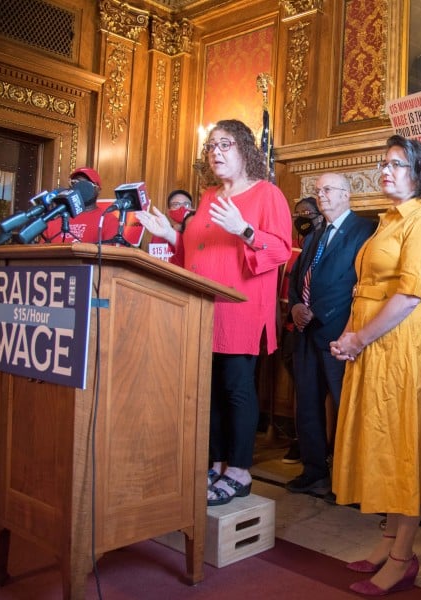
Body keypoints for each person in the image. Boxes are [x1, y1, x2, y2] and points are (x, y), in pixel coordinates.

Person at [136, 119, 292, 506]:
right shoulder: (208, 197)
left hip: (240, 308)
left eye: (226, 145)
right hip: (205, 310)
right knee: (211, 391)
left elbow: (279, 251)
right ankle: (218, 462)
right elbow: (198, 248)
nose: (216, 152)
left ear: (244, 150)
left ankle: (239, 470)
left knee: (237, 389)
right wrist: (169, 234)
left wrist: (245, 230)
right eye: (211, 146)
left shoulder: (266, 194)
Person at [330, 135, 421, 595]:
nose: (386, 171)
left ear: (420, 174)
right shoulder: (387, 221)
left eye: (397, 164)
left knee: (402, 443)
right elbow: (366, 288)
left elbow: (406, 294)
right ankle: (387, 542)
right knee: (383, 439)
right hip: (372, 337)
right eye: (384, 163)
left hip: (401, 341)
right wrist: (350, 335)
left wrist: (358, 337)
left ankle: (403, 557)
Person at [285, 173, 374, 495]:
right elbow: (298, 278)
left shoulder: (365, 230)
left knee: (346, 407)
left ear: (347, 195)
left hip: (340, 334)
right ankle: (313, 470)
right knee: (306, 405)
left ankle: (350, 481)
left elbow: (357, 282)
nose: (320, 196)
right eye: (317, 190)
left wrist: (320, 313)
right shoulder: (314, 234)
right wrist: (296, 306)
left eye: (327, 190)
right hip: (306, 334)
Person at [281, 196, 325, 465]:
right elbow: (295, 283)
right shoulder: (301, 245)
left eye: (309, 212)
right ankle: (304, 443)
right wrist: (296, 307)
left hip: (323, 325)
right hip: (294, 327)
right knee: (303, 388)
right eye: (298, 214)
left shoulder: (329, 239)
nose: (303, 218)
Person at [148, 189, 194, 261]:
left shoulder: (197, 235)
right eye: (176, 204)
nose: (182, 208)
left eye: (186, 204)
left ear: (192, 209)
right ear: (169, 211)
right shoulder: (159, 235)